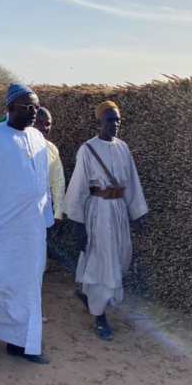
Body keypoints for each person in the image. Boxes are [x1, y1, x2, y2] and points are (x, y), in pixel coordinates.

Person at [0, 83, 53, 364]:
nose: (33, 112)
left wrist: (45, 223)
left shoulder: (39, 140)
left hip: (31, 232)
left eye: (36, 107)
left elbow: (43, 187)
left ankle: (22, 343)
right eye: (28, 107)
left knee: (28, 287)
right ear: (10, 107)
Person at [63, 101, 148, 342]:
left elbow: (132, 183)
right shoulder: (87, 150)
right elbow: (78, 188)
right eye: (110, 120)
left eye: (118, 120)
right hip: (98, 213)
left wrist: (137, 215)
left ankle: (91, 295)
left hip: (119, 212)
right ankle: (100, 318)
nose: (115, 124)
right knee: (102, 261)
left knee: (119, 257)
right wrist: (81, 228)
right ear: (99, 122)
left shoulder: (123, 148)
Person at [33, 107, 65, 239]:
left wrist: (57, 215)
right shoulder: (16, 146)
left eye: (47, 124)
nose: (44, 127)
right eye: (39, 123)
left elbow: (58, 182)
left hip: (42, 214)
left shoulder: (51, 149)